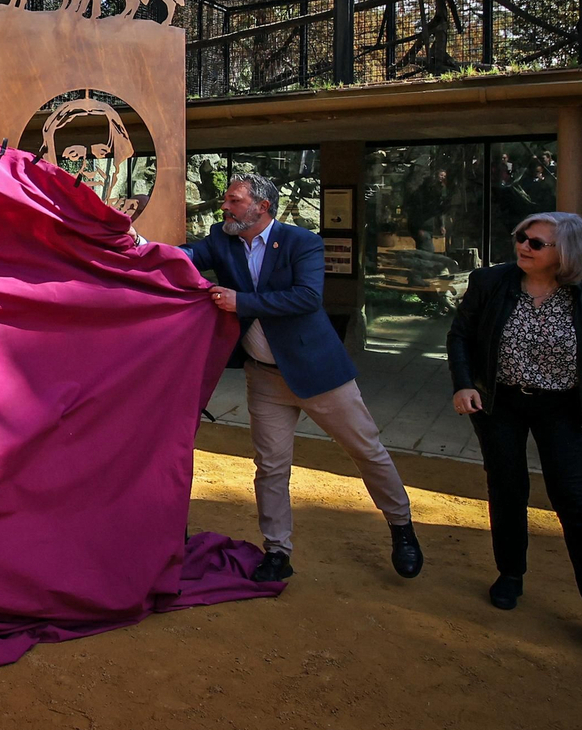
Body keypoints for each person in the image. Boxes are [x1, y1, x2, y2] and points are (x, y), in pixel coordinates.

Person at [142, 173, 424, 583]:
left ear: (262, 207)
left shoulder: (301, 242)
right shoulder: (221, 239)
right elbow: (186, 256)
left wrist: (242, 302)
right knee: (271, 466)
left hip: (320, 374)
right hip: (265, 379)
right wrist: (139, 249)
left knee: (367, 451)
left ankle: (402, 527)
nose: (225, 207)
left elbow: (308, 297)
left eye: (234, 201)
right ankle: (278, 551)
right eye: (226, 200)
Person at [446, 212, 582, 642]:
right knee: (507, 488)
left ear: (567, 253)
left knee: (575, 499)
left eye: (537, 243)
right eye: (522, 237)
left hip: (562, 407)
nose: (524, 246)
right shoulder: (492, 282)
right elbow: (460, 336)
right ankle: (510, 574)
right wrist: (465, 384)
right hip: (501, 403)